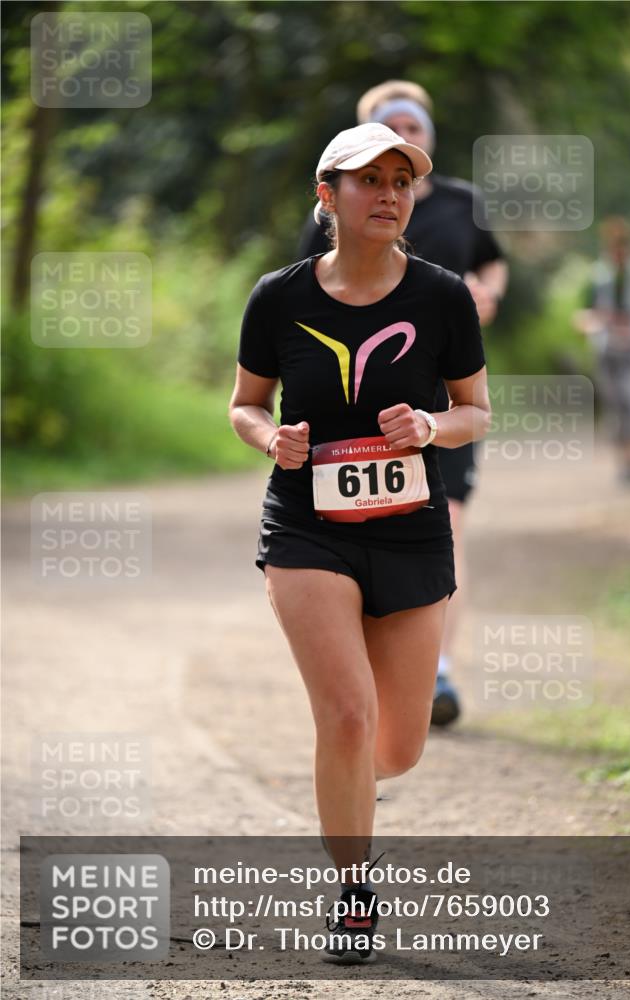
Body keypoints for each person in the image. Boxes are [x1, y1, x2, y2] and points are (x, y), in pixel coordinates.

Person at [230, 122, 490, 962]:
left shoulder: (442, 296)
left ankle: (343, 787)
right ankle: (351, 893)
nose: (387, 194)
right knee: (346, 716)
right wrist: (270, 439)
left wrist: (430, 425)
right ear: (327, 195)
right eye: (368, 180)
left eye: (399, 181)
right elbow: (244, 404)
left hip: (410, 533)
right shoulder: (278, 297)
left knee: (397, 748)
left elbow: (476, 412)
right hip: (306, 530)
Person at [297, 80, 508, 727]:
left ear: (427, 138)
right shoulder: (339, 209)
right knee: (359, 530)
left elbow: (493, 264)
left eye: (413, 128)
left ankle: (435, 669)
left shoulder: (463, 204)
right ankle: (361, 673)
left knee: (446, 524)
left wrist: (488, 294)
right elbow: (306, 294)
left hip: (442, 397)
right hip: (357, 399)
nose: (404, 138)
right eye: (391, 128)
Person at [574, 216, 630, 486]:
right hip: (606, 348)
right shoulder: (599, 276)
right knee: (615, 404)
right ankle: (624, 461)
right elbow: (584, 313)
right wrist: (591, 323)